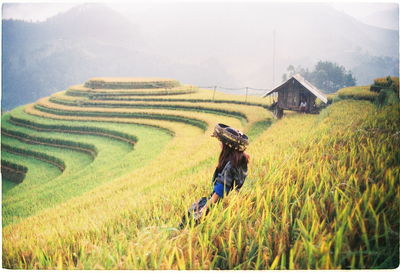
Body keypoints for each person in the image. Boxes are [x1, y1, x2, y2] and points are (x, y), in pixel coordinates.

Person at [180, 123, 249, 228]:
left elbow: (220, 191)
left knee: (189, 217)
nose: (220, 144)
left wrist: (204, 209)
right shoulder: (240, 160)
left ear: (227, 146)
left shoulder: (231, 165)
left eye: (221, 142)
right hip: (229, 200)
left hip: (220, 202)